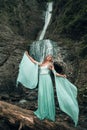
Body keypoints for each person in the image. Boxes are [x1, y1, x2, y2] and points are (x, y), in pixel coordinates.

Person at [17, 51, 79, 126]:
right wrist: (27, 55)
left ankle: (49, 113)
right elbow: (33, 61)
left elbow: (54, 73)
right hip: (42, 80)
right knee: (42, 95)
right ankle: (42, 110)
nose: (49, 57)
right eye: (48, 56)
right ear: (46, 57)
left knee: (48, 95)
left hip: (47, 80)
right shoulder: (41, 63)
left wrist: (62, 75)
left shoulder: (50, 64)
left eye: (50, 57)